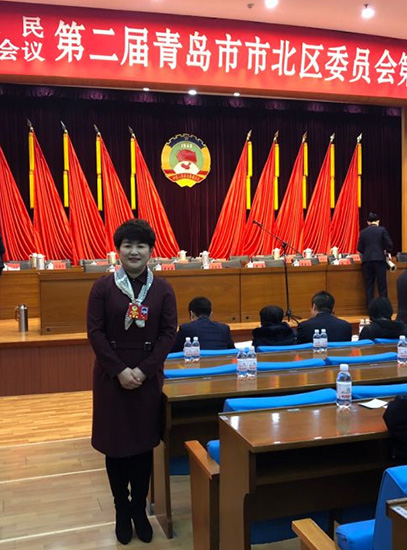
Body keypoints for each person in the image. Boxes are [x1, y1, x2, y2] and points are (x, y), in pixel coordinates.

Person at [87, 219, 177, 545]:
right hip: (111, 378)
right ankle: (121, 510)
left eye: (141, 246)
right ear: (118, 250)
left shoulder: (163, 289)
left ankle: (139, 508)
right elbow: (95, 333)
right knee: (116, 447)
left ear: (151, 251)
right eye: (128, 245)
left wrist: (143, 371)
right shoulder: (102, 288)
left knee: (142, 445)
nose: (134, 251)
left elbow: (168, 334)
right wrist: (120, 371)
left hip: (147, 377)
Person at [357, 212, 393, 309]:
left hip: (367, 261)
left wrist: (367, 252)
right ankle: (384, 309)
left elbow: (359, 248)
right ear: (378, 221)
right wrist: (385, 250)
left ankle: (370, 309)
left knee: (369, 286)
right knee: (382, 286)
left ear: (368, 222)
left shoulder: (363, 232)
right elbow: (390, 244)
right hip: (380, 260)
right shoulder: (382, 230)